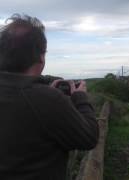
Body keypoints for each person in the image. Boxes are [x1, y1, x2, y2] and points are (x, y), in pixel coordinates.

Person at [0, 14, 99, 180]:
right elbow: (89, 138)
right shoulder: (46, 100)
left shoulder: (42, 97)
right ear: (40, 57)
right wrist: (80, 97)